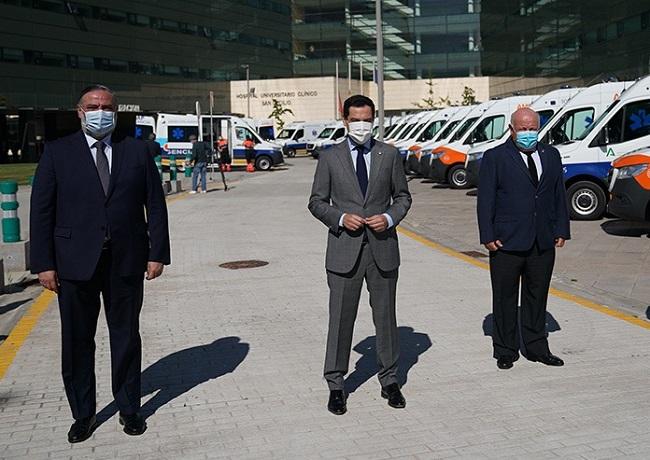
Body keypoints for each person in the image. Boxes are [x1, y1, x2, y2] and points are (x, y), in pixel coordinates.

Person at [30, 85, 171, 443]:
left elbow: (155, 204)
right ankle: (83, 414)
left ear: (116, 111)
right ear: (80, 111)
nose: (100, 111)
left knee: (126, 337)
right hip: (73, 264)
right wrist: (43, 263)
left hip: (125, 260)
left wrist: (157, 254)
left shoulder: (135, 150)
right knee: (78, 341)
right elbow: (41, 211)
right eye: (93, 106)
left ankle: (129, 408)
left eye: (107, 106)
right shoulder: (57, 152)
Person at [308, 95, 412, 415]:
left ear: (375, 119)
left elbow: (403, 197)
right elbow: (316, 201)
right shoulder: (329, 157)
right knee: (340, 320)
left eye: (367, 119)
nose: (362, 125)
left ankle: (390, 380)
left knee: (385, 318)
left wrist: (390, 218)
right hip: (344, 251)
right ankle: (336, 384)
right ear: (345, 121)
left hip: (382, 249)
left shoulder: (390, 154)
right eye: (356, 120)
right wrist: (340, 218)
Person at [477, 107, 571, 371]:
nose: (528, 133)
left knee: (537, 295)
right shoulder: (495, 156)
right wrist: (488, 235)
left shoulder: (550, 154)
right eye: (523, 128)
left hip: (542, 240)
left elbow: (557, 195)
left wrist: (561, 229)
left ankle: (537, 347)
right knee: (505, 297)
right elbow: (486, 200)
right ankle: (505, 349)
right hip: (506, 241)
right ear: (511, 129)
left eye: (533, 128)